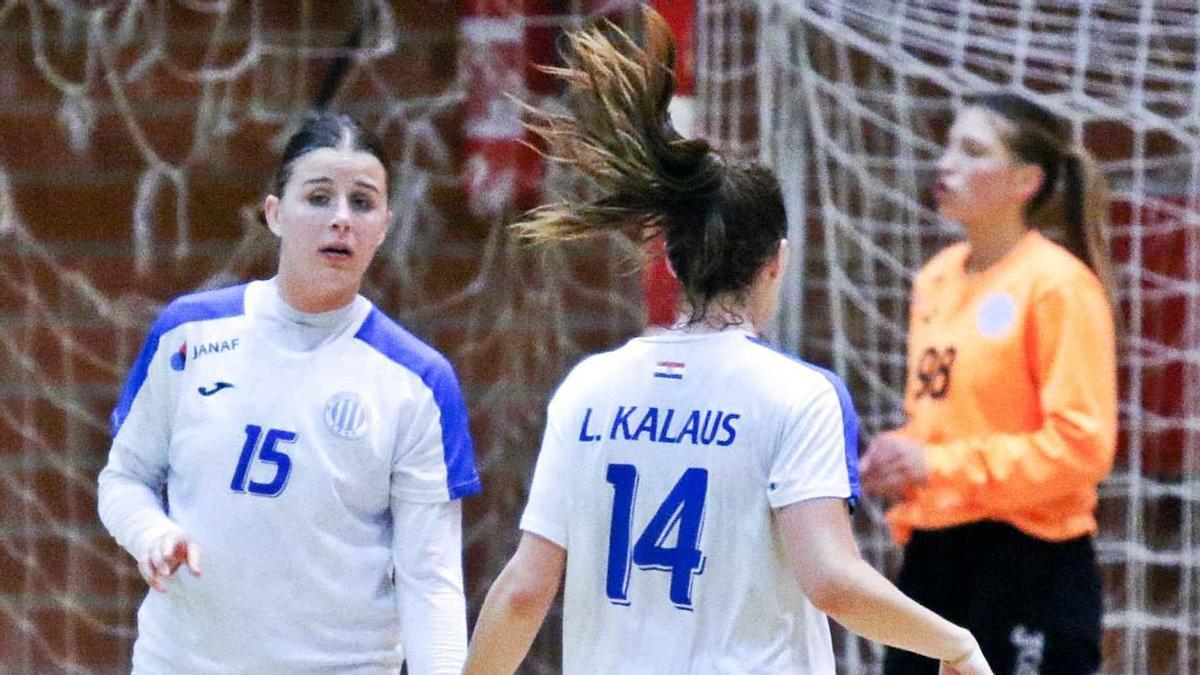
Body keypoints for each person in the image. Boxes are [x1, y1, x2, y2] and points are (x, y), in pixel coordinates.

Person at [462, 8, 992, 675]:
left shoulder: (589, 387)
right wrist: (955, 641)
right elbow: (832, 580)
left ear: (673, 263)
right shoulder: (797, 395)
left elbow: (523, 589)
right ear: (777, 259)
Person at [97, 112, 481, 674]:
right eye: (319, 197)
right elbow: (124, 478)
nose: (341, 220)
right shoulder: (190, 332)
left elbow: (431, 583)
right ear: (275, 214)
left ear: (385, 225)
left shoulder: (419, 382)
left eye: (363, 202)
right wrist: (151, 534)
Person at [859, 92, 1118, 675]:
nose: (947, 163)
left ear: (1026, 180)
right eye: (949, 145)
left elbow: (1082, 448)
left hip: (1028, 561)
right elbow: (948, 419)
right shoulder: (936, 278)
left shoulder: (1057, 286)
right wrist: (899, 459)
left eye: (973, 151)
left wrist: (935, 465)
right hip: (934, 557)